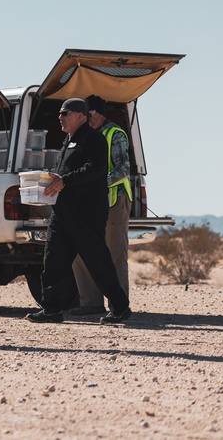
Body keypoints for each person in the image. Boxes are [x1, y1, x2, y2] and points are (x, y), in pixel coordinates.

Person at [25, 98, 131, 325]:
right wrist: (50, 182)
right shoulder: (68, 141)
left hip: (87, 213)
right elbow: (64, 175)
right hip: (63, 212)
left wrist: (65, 181)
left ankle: (120, 307)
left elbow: (96, 169)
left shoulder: (95, 140)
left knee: (97, 261)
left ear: (80, 116)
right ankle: (51, 309)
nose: (60, 117)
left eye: (65, 113)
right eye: (60, 113)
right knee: (53, 260)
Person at [69, 94, 132, 315]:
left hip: (114, 200)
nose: (88, 119)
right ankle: (90, 303)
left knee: (115, 253)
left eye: (91, 115)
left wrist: (98, 182)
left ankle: (118, 305)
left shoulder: (115, 134)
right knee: (83, 251)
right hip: (88, 202)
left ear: (100, 113)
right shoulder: (83, 137)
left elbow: (124, 167)